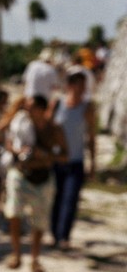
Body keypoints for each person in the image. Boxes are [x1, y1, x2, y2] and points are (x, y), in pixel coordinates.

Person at [2, 95, 67, 272]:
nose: (27, 110)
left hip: (43, 177)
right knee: (14, 213)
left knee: (39, 222)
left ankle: (35, 259)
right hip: (20, 174)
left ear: (41, 109)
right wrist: (18, 151)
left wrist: (44, 156)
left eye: (31, 107)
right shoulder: (20, 123)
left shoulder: (53, 129)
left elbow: (64, 156)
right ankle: (16, 254)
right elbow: (8, 141)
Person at [50, 71, 96, 250]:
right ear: (70, 85)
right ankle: (54, 234)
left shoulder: (87, 107)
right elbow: (47, 129)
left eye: (85, 85)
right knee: (56, 199)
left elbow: (91, 137)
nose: (84, 88)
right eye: (80, 84)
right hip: (55, 161)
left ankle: (64, 237)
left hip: (76, 161)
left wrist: (92, 163)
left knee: (70, 200)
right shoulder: (57, 104)